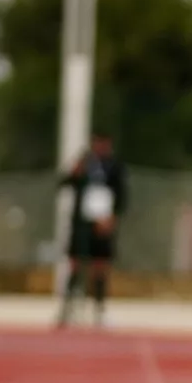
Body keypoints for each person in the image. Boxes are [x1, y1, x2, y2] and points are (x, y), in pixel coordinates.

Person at [55, 133, 127, 328]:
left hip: (102, 222)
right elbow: (63, 183)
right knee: (75, 264)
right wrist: (75, 171)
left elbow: (121, 195)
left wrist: (111, 218)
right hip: (82, 224)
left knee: (100, 267)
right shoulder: (84, 164)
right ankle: (66, 309)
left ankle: (99, 311)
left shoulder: (114, 166)